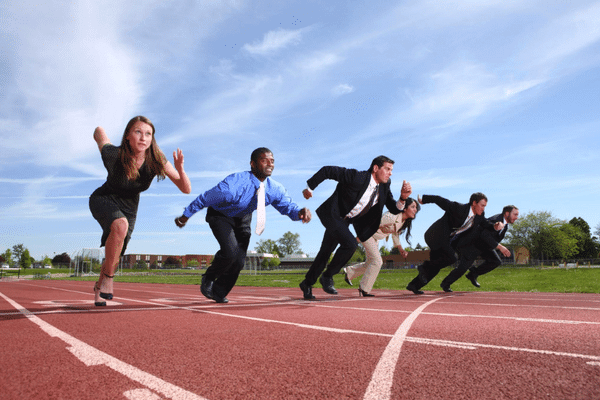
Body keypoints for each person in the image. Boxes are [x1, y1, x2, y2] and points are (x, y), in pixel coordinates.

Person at [175, 147, 311, 303]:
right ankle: (209, 277)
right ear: (252, 164)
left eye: (272, 161)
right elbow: (205, 198)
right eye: (264, 160)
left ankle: (219, 291)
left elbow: (287, 206)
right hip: (221, 215)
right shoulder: (233, 185)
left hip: (243, 217)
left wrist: (299, 212)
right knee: (230, 251)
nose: (269, 164)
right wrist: (185, 216)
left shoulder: (274, 188)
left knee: (239, 260)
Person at [90, 116, 191, 306]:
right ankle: (109, 279)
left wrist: (180, 169)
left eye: (148, 134)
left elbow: (186, 188)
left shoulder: (156, 159)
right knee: (120, 225)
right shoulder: (114, 155)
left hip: (129, 207)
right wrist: (99, 130)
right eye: (138, 132)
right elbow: (99, 134)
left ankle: (99, 286)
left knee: (116, 253)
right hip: (104, 198)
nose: (143, 138)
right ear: (128, 135)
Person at [299, 155, 411, 300]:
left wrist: (402, 198)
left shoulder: (384, 185)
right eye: (387, 169)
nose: (390, 173)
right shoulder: (356, 176)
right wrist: (310, 187)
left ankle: (307, 283)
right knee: (350, 244)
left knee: (325, 252)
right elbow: (328, 171)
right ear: (376, 168)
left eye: (392, 170)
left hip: (347, 221)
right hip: (333, 215)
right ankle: (327, 276)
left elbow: (393, 208)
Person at [406, 192, 503, 294]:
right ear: (474, 203)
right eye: (482, 205)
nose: (484, 209)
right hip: (435, 236)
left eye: (485, 206)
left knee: (437, 263)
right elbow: (440, 200)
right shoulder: (459, 208)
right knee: (451, 257)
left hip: (447, 240)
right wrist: (424, 199)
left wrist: (494, 226)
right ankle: (424, 267)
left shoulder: (479, 215)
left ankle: (414, 285)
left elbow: (485, 223)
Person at [343, 196, 420, 296]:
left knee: (371, 263)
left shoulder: (403, 221)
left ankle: (349, 272)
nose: (415, 210)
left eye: (416, 208)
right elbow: (373, 224)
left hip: (375, 238)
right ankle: (364, 289)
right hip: (367, 234)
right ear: (405, 208)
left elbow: (395, 234)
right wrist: (358, 239)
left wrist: (401, 249)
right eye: (413, 207)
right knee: (377, 261)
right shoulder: (391, 217)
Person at [461, 206, 519, 288]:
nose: (516, 217)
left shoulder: (505, 226)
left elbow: (495, 238)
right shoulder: (495, 220)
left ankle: (473, 273)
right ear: (507, 213)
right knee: (461, 265)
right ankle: (446, 283)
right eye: (515, 214)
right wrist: (500, 247)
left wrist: (498, 247)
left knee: (495, 261)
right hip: (474, 242)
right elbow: (484, 234)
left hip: (486, 245)